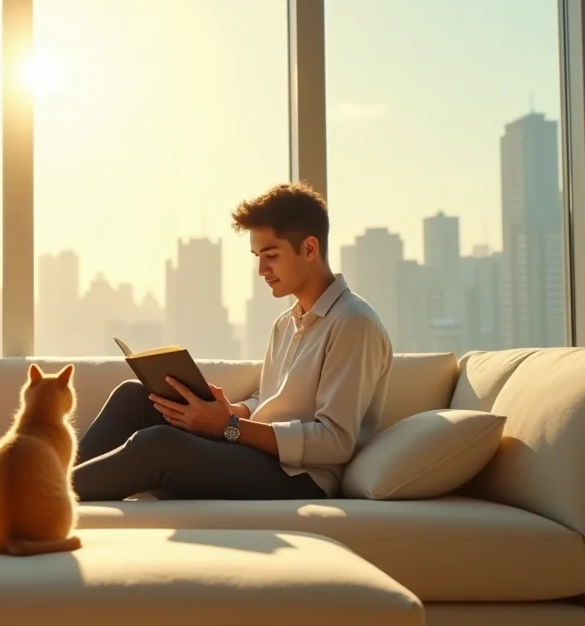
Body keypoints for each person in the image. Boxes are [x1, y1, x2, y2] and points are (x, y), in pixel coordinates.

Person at [71, 183, 392, 502]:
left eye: (271, 256)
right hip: (253, 451)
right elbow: (267, 400)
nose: (261, 270)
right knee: (136, 397)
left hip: (300, 477)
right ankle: (43, 478)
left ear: (309, 249)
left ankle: (40, 496)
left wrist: (228, 426)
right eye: (257, 256)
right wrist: (230, 411)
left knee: (158, 446)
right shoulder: (286, 323)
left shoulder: (353, 323)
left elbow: (334, 441)